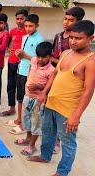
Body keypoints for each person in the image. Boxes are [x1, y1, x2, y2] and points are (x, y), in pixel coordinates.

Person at [28, 20, 95, 176]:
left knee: (67, 142)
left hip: (67, 110)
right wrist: (44, 93)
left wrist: (76, 116)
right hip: (51, 103)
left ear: (91, 38)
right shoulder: (66, 54)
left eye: (78, 38)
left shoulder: (90, 62)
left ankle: (62, 173)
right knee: (48, 133)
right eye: (71, 37)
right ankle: (45, 156)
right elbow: (54, 75)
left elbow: (88, 91)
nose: (72, 41)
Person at [50, 6, 85, 154]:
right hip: (56, 74)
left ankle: (59, 140)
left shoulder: (79, 43)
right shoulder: (58, 36)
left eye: (71, 20)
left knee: (64, 113)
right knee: (51, 110)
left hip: (70, 80)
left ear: (78, 22)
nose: (66, 22)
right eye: (65, 18)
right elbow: (54, 55)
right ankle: (53, 138)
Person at [14, 42, 55, 156]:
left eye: (44, 57)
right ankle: (27, 139)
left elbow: (50, 86)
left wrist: (38, 87)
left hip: (38, 100)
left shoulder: (51, 70)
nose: (40, 59)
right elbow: (28, 60)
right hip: (27, 97)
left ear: (50, 56)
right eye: (39, 56)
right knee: (26, 120)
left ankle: (32, 146)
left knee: (36, 123)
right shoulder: (34, 61)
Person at [9, 14, 45, 135]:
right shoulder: (25, 37)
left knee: (27, 101)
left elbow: (40, 60)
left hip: (30, 73)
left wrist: (25, 56)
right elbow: (23, 56)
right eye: (26, 26)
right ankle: (19, 120)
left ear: (37, 25)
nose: (28, 28)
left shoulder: (40, 40)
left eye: (31, 26)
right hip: (21, 70)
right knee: (19, 98)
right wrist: (19, 55)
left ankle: (25, 126)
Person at [0, 9, 28, 117]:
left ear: (26, 19)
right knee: (10, 86)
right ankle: (11, 108)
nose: (19, 21)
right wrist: (10, 49)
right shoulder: (12, 31)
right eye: (17, 19)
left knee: (21, 88)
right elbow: (9, 43)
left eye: (22, 19)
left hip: (22, 64)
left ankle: (22, 114)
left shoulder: (28, 32)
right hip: (11, 62)